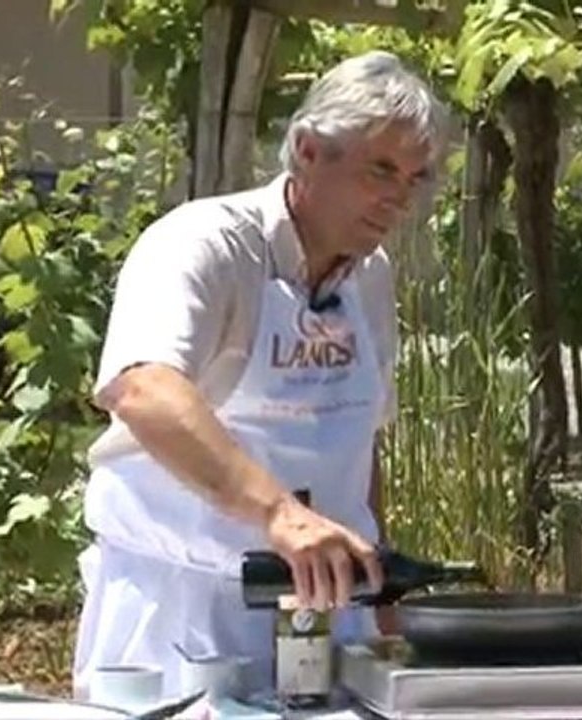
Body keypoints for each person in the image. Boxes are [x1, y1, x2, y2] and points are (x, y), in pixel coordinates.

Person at [72, 51, 448, 699]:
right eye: (380, 169)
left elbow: (360, 440)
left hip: (333, 616)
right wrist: (281, 515)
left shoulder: (372, 275)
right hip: (187, 618)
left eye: (415, 179)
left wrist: (380, 598)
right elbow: (144, 388)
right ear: (306, 150)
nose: (399, 197)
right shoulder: (205, 245)